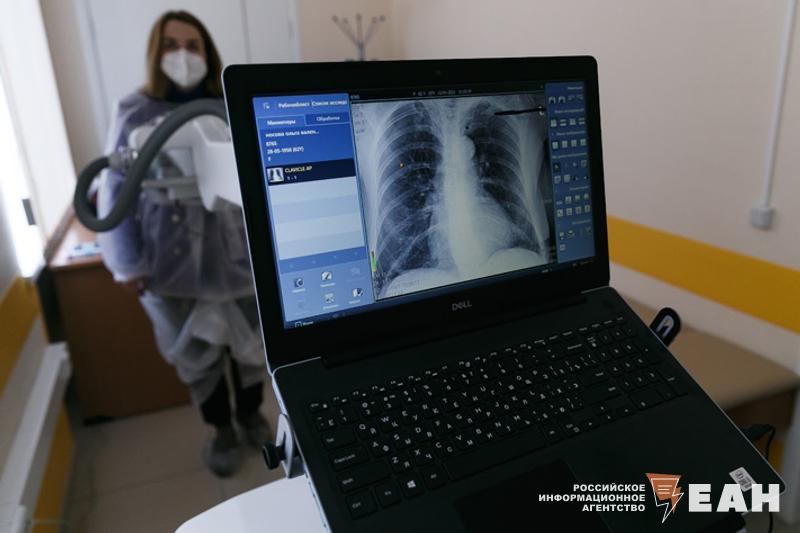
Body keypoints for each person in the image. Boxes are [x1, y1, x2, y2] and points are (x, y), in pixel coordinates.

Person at [96, 10, 269, 477]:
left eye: (193, 46)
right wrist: (127, 263)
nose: (183, 56)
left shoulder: (232, 102)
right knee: (197, 357)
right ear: (156, 53)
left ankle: (252, 416)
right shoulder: (134, 112)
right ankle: (221, 430)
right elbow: (114, 191)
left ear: (208, 52)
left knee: (251, 348)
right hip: (170, 259)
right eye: (171, 45)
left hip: (240, 255)